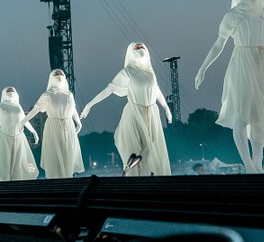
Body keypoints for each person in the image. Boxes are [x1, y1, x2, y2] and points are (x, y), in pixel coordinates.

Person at [195, 0, 264, 174]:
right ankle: (247, 162)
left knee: (260, 116)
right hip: (242, 64)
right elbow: (219, 44)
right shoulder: (233, 16)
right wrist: (203, 68)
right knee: (242, 116)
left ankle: (258, 162)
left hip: (263, 65)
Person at [81, 43, 172, 176]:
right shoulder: (128, 71)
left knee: (152, 148)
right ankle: (133, 176)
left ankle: (152, 177)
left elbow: (156, 90)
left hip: (152, 114)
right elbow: (110, 89)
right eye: (136, 48)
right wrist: (90, 104)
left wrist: (166, 108)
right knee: (137, 148)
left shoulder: (150, 72)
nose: (140, 49)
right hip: (135, 112)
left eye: (142, 47)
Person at [23, 70, 84, 179]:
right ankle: (55, 181)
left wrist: (78, 123)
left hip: (68, 127)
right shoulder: (48, 95)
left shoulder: (69, 95)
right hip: (53, 127)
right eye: (56, 74)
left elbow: (73, 109)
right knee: (54, 155)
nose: (59, 76)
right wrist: (23, 122)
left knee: (68, 154)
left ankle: (68, 179)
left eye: (61, 74)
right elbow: (36, 109)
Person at [0, 87, 40, 181]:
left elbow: (24, 120)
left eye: (12, 91)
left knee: (18, 164)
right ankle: (6, 185)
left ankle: (18, 185)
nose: (10, 93)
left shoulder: (18, 107)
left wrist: (33, 132)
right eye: (8, 91)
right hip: (4, 138)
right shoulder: (1, 107)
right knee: (5, 164)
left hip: (19, 138)